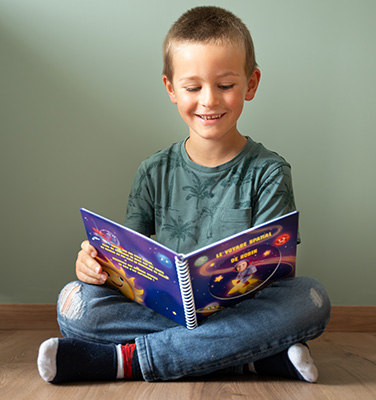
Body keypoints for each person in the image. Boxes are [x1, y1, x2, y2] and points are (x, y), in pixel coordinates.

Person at [37, 6, 330, 384]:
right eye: (193, 87)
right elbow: (128, 262)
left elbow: (275, 270)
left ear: (251, 84)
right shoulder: (153, 171)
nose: (209, 100)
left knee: (310, 299)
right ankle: (250, 357)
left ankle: (127, 362)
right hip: (167, 313)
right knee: (75, 303)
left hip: (244, 308)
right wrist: (95, 266)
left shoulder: (269, 172)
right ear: (171, 89)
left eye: (225, 85)